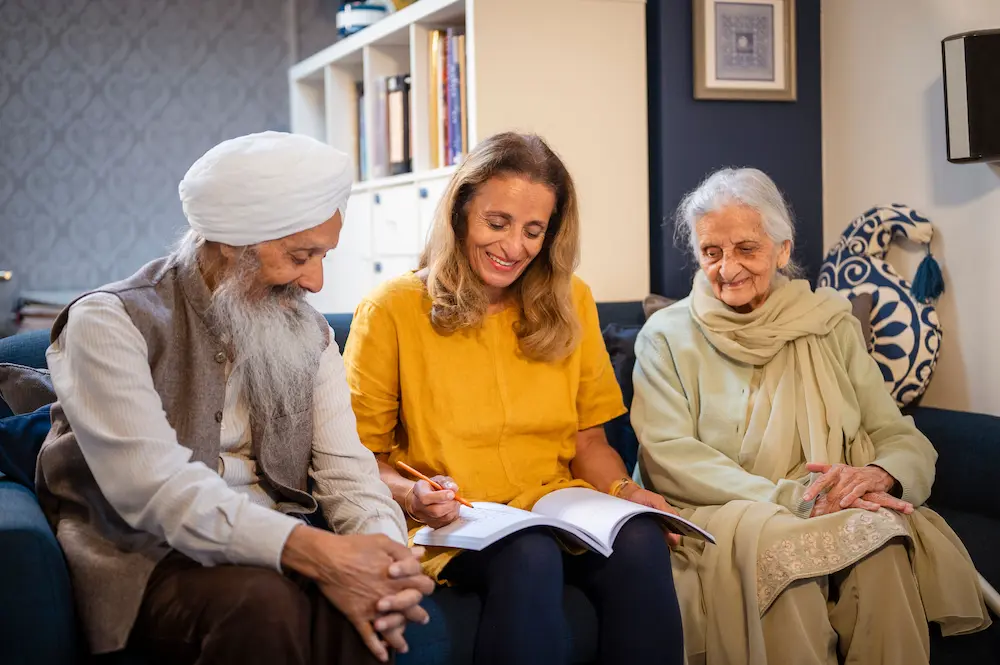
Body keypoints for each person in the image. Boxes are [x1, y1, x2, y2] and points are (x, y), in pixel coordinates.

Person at [35, 132, 434, 665]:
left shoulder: (309, 333)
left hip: (288, 549)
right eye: (300, 255)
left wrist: (384, 562)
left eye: (322, 256)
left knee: (363, 609)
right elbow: (156, 492)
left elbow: (349, 473)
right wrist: (321, 556)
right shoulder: (108, 322)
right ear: (231, 241)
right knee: (262, 602)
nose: (316, 281)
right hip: (149, 560)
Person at [342, 132, 685, 665]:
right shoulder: (391, 309)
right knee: (530, 553)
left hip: (555, 503)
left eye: (533, 231)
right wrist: (413, 497)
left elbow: (588, 440)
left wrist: (623, 490)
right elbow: (361, 460)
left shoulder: (573, 299)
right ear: (460, 213)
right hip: (453, 519)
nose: (514, 247)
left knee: (639, 539)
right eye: (496, 223)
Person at [631, 167, 992, 665]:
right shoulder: (665, 337)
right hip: (724, 510)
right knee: (789, 555)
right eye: (711, 251)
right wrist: (792, 499)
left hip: (830, 503)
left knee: (882, 543)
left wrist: (880, 475)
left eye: (746, 248)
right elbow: (669, 457)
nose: (727, 267)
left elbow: (895, 433)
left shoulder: (831, 325)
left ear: (782, 250)